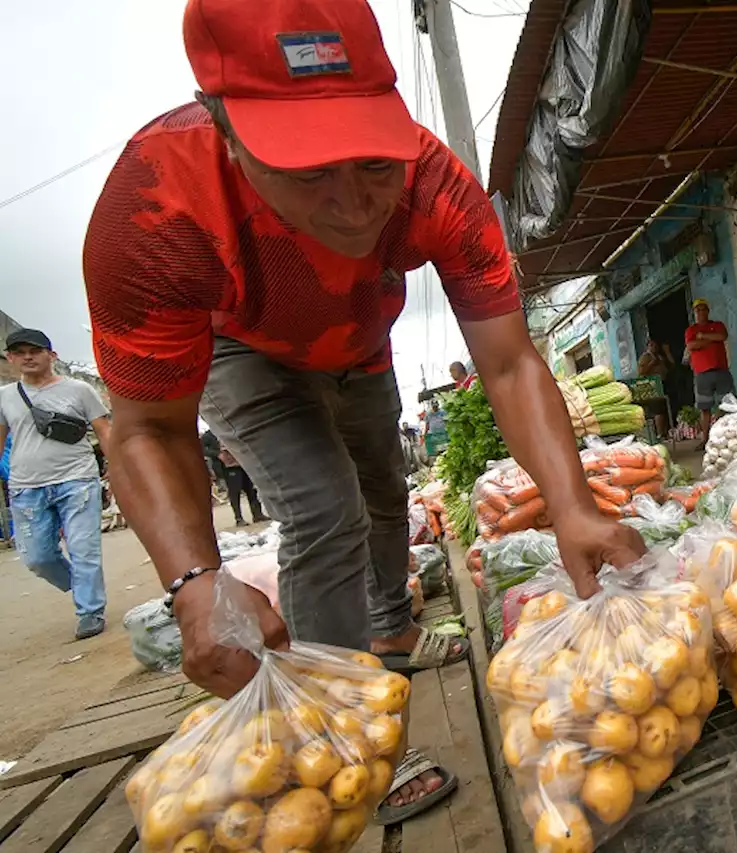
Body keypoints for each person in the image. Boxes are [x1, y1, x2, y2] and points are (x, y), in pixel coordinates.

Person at [83, 0, 645, 821]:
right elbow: (147, 430)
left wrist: (571, 505)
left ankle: (390, 633)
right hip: (244, 352)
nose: (353, 204)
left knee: (386, 491)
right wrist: (197, 584)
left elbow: (508, 358)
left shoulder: (433, 181)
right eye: (308, 171)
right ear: (225, 132)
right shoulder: (156, 209)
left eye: (372, 164)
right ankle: (334, 737)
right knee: (325, 504)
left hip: (359, 342)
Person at [0, 329, 112, 640]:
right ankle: (83, 586)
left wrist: (117, 469)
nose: (27, 357)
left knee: (83, 549)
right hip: (26, 487)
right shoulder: (5, 396)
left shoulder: (79, 390)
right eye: (19, 352)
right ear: (10, 358)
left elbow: (104, 431)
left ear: (52, 355)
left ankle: (89, 611)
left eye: (34, 350)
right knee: (37, 558)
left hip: (77, 480)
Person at [684, 298, 734, 442]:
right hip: (702, 373)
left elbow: (722, 336)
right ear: (694, 313)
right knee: (704, 408)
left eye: (703, 309)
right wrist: (711, 340)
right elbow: (692, 345)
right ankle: (705, 439)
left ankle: (724, 436)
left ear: (708, 311)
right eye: (697, 310)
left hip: (721, 370)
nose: (700, 312)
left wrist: (703, 337)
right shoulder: (691, 330)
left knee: (726, 404)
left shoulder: (718, 325)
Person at [217, 444, 267, 527]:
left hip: (245, 464)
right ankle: (239, 518)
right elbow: (208, 450)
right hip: (231, 467)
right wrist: (220, 455)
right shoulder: (211, 436)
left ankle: (258, 515)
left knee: (252, 491)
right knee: (235, 493)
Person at [636, 339, 675, 438]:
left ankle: (664, 432)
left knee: (664, 409)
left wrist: (666, 354)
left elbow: (671, 365)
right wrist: (652, 363)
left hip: (663, 383)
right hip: (652, 387)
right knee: (658, 410)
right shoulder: (645, 357)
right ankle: (660, 434)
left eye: (656, 345)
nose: (654, 347)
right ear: (648, 346)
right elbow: (641, 372)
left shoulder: (659, 357)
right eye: (652, 345)